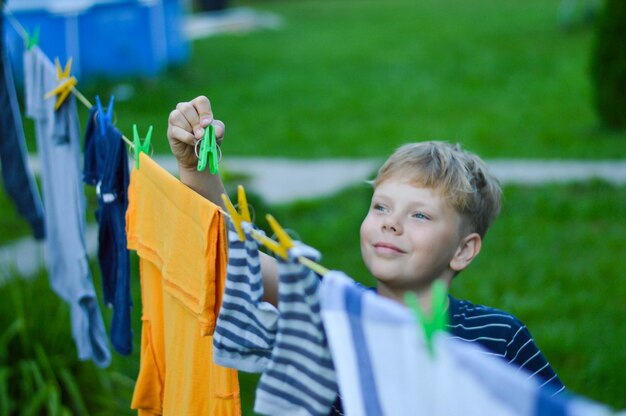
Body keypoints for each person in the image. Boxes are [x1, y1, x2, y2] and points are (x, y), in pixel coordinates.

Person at [167, 96, 565, 410]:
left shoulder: (499, 338)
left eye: (420, 215)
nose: (391, 223)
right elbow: (237, 258)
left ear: (463, 250)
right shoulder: (331, 315)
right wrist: (197, 169)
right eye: (381, 207)